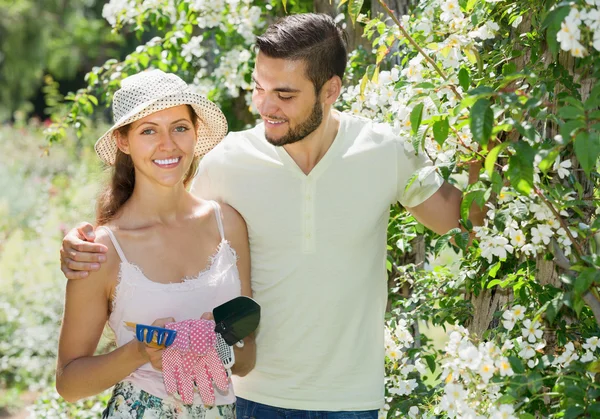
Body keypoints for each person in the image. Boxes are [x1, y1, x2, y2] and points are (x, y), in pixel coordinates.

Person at [60, 13, 483, 418]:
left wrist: (490, 135)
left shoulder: (385, 151)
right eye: (259, 88)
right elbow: (160, 218)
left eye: (284, 94)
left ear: (330, 90)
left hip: (351, 398)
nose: (266, 106)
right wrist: (84, 242)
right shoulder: (227, 161)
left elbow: (458, 220)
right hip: (247, 401)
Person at [55, 70, 254, 418]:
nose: (168, 144)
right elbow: (69, 384)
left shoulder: (228, 225)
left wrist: (218, 339)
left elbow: (246, 360)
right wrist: (141, 352)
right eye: (149, 130)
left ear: (195, 133)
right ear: (123, 141)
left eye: (179, 127)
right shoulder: (102, 251)